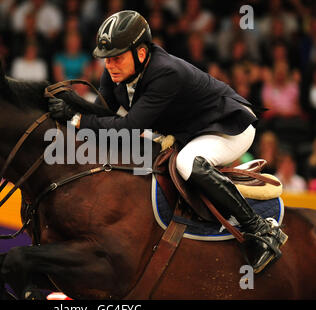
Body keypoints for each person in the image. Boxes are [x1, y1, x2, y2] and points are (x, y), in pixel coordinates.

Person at [48, 10, 288, 274]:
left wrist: (77, 120)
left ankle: (260, 231)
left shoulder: (165, 73)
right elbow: (103, 116)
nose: (109, 65)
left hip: (229, 128)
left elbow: (128, 127)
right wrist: (71, 104)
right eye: (106, 59)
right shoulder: (114, 74)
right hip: (189, 131)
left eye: (116, 58)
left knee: (189, 163)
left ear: (140, 53)